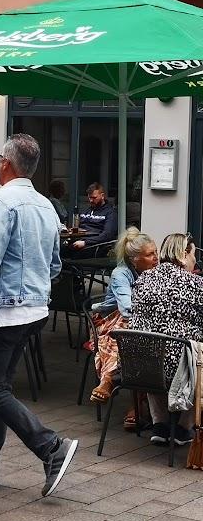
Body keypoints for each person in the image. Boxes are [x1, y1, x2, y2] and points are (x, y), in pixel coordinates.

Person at [0, 134, 78, 497]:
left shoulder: (2, 201)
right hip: (34, 309)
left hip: (5, 310)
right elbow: (55, 264)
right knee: (0, 387)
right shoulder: (46, 205)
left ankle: (50, 447)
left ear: (5, 164)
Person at [130, 233, 203, 445]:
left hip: (139, 368)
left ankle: (160, 425)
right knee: (191, 354)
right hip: (179, 370)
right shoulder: (195, 284)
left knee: (153, 346)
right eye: (193, 253)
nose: (195, 259)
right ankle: (183, 428)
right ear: (182, 254)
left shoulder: (143, 278)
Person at [89, 228, 157, 404]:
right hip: (107, 320)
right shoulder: (121, 273)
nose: (156, 258)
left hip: (137, 320)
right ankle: (109, 379)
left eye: (156, 252)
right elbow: (126, 309)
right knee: (125, 329)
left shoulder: (153, 272)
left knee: (146, 339)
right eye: (150, 254)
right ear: (135, 260)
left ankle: (137, 405)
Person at [69, 182, 117, 257]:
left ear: (102, 196)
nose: (91, 200)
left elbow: (107, 235)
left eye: (94, 198)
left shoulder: (110, 212)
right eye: (89, 197)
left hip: (94, 246)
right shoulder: (86, 210)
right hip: (78, 242)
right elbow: (78, 228)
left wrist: (85, 242)